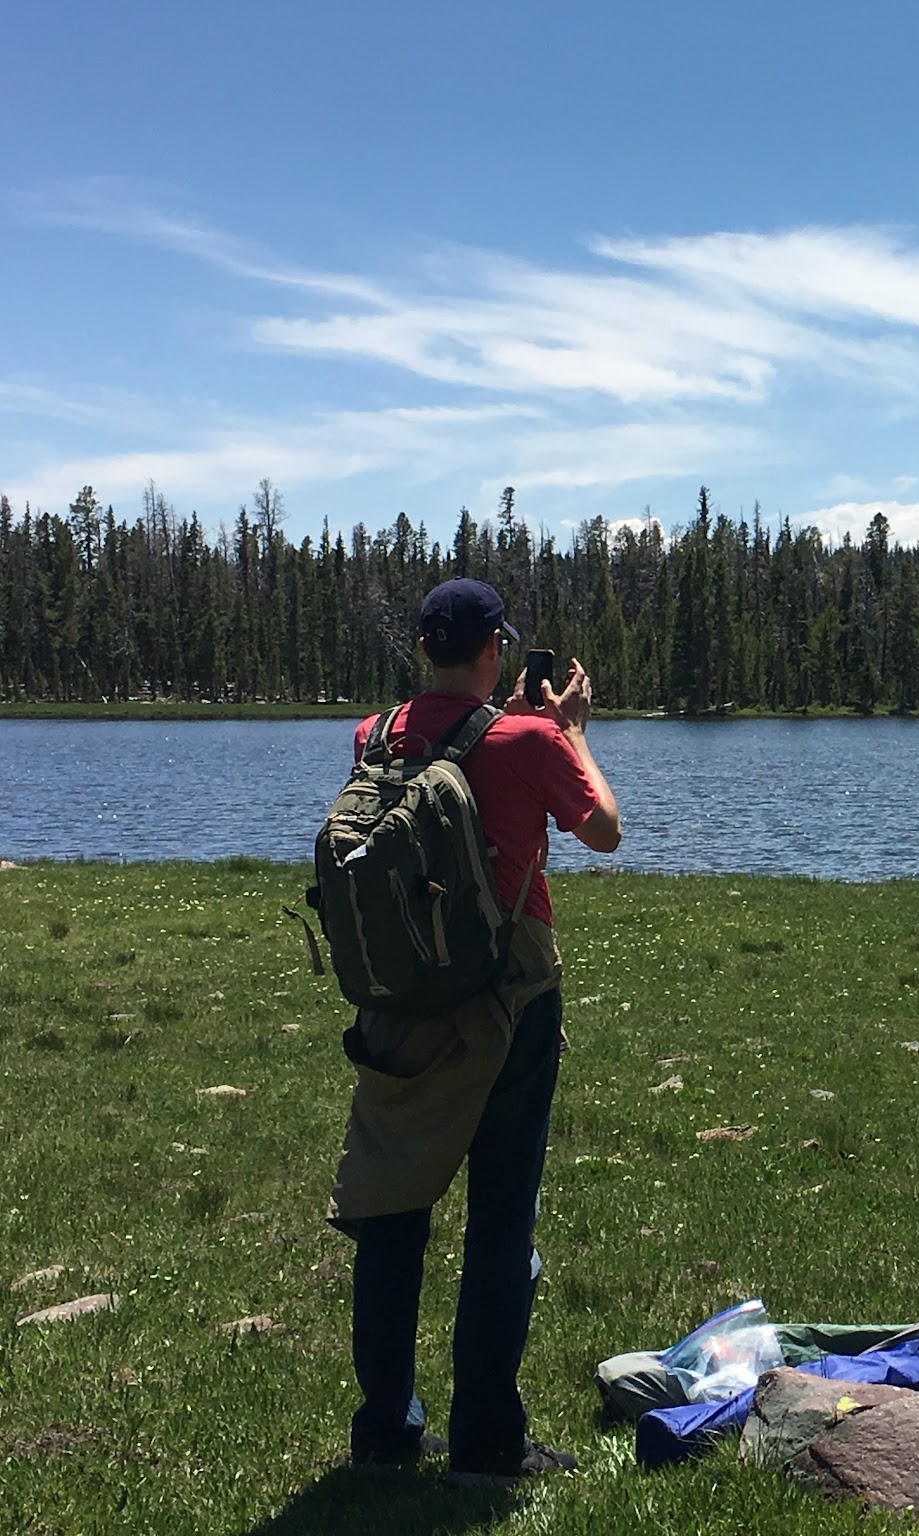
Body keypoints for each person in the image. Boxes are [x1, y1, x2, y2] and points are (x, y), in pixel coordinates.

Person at [330, 576, 621, 1485]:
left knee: (391, 1211)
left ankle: (384, 1435)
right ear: (495, 646)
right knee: (501, 1223)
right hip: (510, 999)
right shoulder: (529, 738)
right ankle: (487, 1444)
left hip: (402, 999)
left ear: (425, 647)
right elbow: (605, 831)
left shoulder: (373, 737)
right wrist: (571, 729)